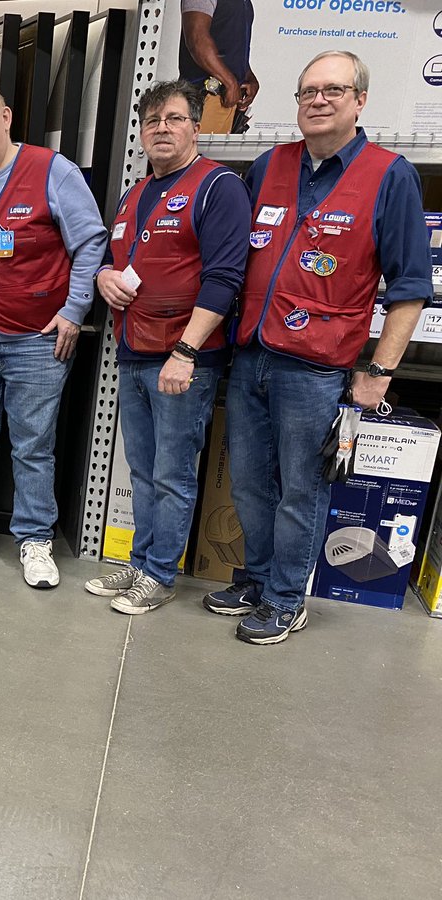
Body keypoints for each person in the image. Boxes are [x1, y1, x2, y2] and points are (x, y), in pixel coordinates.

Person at [204, 50, 431, 644]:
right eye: (308, 92)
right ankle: (258, 580)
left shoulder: (389, 175)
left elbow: (409, 289)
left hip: (316, 369)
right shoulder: (268, 165)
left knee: (300, 490)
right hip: (252, 354)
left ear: (360, 101)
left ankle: (286, 599)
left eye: (333, 90)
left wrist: (379, 371)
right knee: (249, 483)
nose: (319, 100)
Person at [0, 84, 107, 587]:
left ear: (6, 117)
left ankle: (34, 539)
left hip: (37, 340)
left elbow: (90, 242)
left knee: (32, 445)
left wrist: (74, 311)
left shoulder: (52, 171)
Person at [86, 80, 250, 614]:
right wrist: (104, 277)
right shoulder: (135, 194)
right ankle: (139, 563)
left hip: (182, 360)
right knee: (143, 472)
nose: (162, 128)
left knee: (173, 474)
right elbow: (115, 258)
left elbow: (224, 278)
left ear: (195, 127)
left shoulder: (218, 186)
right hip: (134, 353)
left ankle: (159, 575)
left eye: (174, 118)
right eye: (152, 120)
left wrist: (186, 353)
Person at [178, 0, 258, 134]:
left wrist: (248, 77)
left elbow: (231, 49)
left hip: (228, 100)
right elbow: (197, 40)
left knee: (215, 148)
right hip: (204, 97)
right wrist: (230, 82)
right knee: (197, 147)